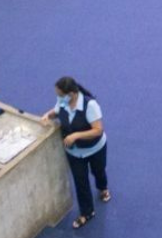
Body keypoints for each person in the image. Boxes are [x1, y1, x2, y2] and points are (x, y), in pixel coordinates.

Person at [40, 76, 109, 230]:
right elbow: (57, 110)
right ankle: (87, 212)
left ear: (71, 94)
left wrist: (76, 135)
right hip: (75, 153)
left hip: (95, 149)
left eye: (60, 95)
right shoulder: (62, 100)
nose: (58, 98)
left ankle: (103, 187)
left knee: (98, 171)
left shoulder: (90, 105)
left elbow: (98, 130)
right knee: (80, 182)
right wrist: (48, 115)